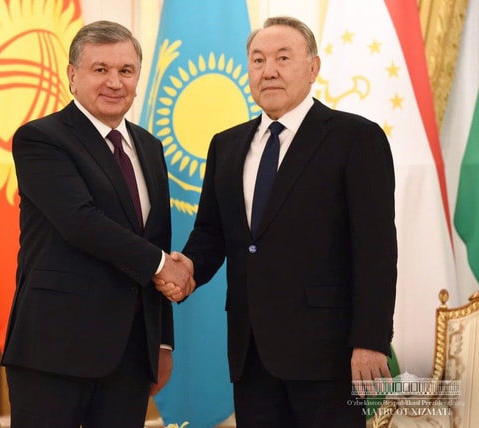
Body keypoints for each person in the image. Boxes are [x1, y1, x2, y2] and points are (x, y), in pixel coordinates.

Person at [157, 16, 397, 428]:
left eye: (283, 58)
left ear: (313, 68)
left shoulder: (356, 138)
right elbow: (212, 232)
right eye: (258, 60)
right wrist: (189, 267)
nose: (268, 70)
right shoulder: (226, 145)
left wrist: (370, 341)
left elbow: (376, 249)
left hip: (329, 355)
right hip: (251, 355)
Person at [1, 20, 194, 428]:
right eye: (100, 69)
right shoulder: (41, 139)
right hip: (55, 350)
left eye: (126, 70)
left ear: (138, 77)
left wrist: (161, 341)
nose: (114, 82)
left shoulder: (149, 146)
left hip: (130, 356)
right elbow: (81, 222)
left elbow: (156, 239)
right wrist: (165, 266)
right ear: (72, 75)